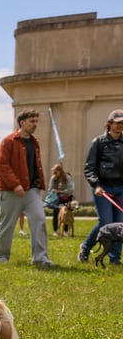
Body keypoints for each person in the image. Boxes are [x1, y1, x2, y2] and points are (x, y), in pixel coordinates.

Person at [0, 109, 53, 266]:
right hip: (11, 191)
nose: (35, 124)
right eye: (32, 121)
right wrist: (15, 184)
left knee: (39, 220)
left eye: (36, 121)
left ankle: (41, 258)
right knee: (6, 225)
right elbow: (3, 166)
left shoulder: (34, 142)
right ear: (22, 122)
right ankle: (0, 257)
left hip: (32, 191)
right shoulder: (8, 141)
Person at [78, 109, 123, 264]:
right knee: (107, 223)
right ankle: (85, 248)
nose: (120, 125)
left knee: (119, 226)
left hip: (121, 189)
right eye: (118, 123)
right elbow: (89, 168)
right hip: (103, 189)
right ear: (110, 124)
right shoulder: (98, 142)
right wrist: (96, 185)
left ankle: (115, 260)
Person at [47, 163, 73, 235]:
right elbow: (50, 189)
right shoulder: (53, 178)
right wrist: (53, 191)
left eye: (55, 172)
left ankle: (65, 231)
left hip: (66, 198)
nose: (54, 174)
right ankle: (55, 231)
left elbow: (70, 190)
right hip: (57, 199)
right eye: (53, 172)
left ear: (60, 171)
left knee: (66, 215)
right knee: (56, 214)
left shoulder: (67, 178)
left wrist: (60, 191)